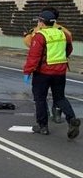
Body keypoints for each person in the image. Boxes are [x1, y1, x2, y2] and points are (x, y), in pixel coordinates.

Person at [23, 10, 79, 138]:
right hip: (60, 72)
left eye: (39, 21)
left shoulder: (40, 36)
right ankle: (72, 120)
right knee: (60, 98)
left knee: (40, 99)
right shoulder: (62, 34)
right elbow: (69, 49)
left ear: (42, 22)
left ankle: (43, 127)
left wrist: (28, 71)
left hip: (43, 72)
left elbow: (34, 56)